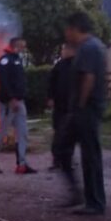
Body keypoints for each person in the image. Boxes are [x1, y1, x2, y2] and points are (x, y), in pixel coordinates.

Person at [57, 12, 107, 215]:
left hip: (86, 111)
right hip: (85, 110)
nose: (66, 34)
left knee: (89, 156)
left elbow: (88, 77)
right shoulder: (94, 46)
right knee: (62, 148)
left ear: (74, 28)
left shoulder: (88, 48)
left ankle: (94, 203)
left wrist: (80, 104)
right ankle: (80, 195)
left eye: (67, 30)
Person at [0, 36, 37, 174]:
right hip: (7, 103)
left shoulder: (17, 60)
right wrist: (11, 98)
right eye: (21, 46)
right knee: (2, 132)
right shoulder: (5, 61)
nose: (23, 48)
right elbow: (4, 81)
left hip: (19, 102)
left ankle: (21, 164)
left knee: (22, 132)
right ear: (14, 45)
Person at [47, 42, 77, 170]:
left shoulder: (78, 65)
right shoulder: (59, 66)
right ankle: (56, 160)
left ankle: (67, 162)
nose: (62, 52)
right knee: (58, 133)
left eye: (64, 49)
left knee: (70, 134)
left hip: (73, 107)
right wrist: (50, 98)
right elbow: (51, 83)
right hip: (60, 106)